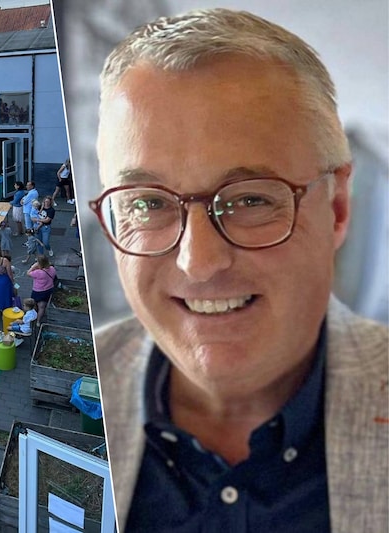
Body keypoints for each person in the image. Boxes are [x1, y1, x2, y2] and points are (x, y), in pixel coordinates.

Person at [82, 8, 389, 531]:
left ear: (337, 208)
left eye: (250, 199)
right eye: (148, 203)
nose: (198, 263)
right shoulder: (94, 387)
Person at [26, 255, 56, 325]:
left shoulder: (38, 272)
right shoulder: (52, 269)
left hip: (38, 291)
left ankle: (32, 317)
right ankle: (38, 321)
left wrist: (33, 266)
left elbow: (28, 273)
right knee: (42, 307)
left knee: (34, 305)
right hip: (48, 290)